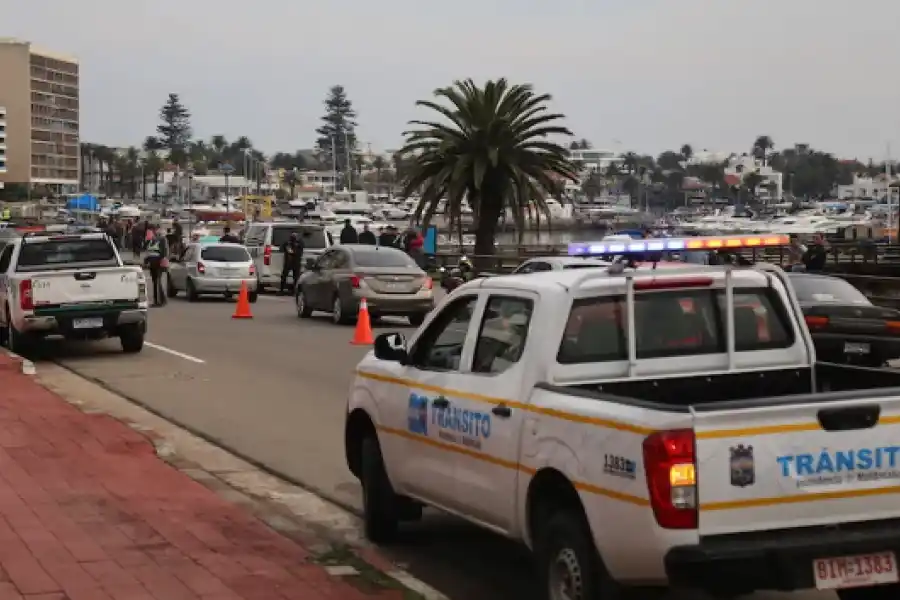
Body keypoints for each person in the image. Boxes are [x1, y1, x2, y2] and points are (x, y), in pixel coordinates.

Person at [144, 224, 169, 307]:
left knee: (158, 282)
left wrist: (162, 261)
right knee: (155, 282)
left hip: (158, 264)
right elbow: (148, 252)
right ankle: (159, 300)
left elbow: (164, 252)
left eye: (150, 230)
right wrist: (146, 261)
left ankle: (159, 301)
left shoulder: (162, 239)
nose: (149, 232)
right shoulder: (150, 241)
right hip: (152, 264)